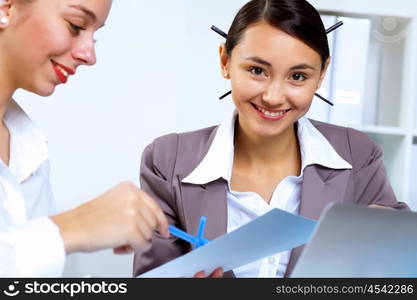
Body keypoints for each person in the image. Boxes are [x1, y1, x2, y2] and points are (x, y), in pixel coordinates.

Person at [133, 0, 408, 278]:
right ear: (225, 61)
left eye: (298, 76)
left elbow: (393, 272)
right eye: (257, 70)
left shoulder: (358, 156)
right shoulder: (168, 160)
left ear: (322, 74)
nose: (273, 97)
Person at [0, 0, 169, 277]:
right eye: (76, 26)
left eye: (95, 34)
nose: (90, 55)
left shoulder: (28, 151)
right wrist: (72, 226)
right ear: (6, 8)